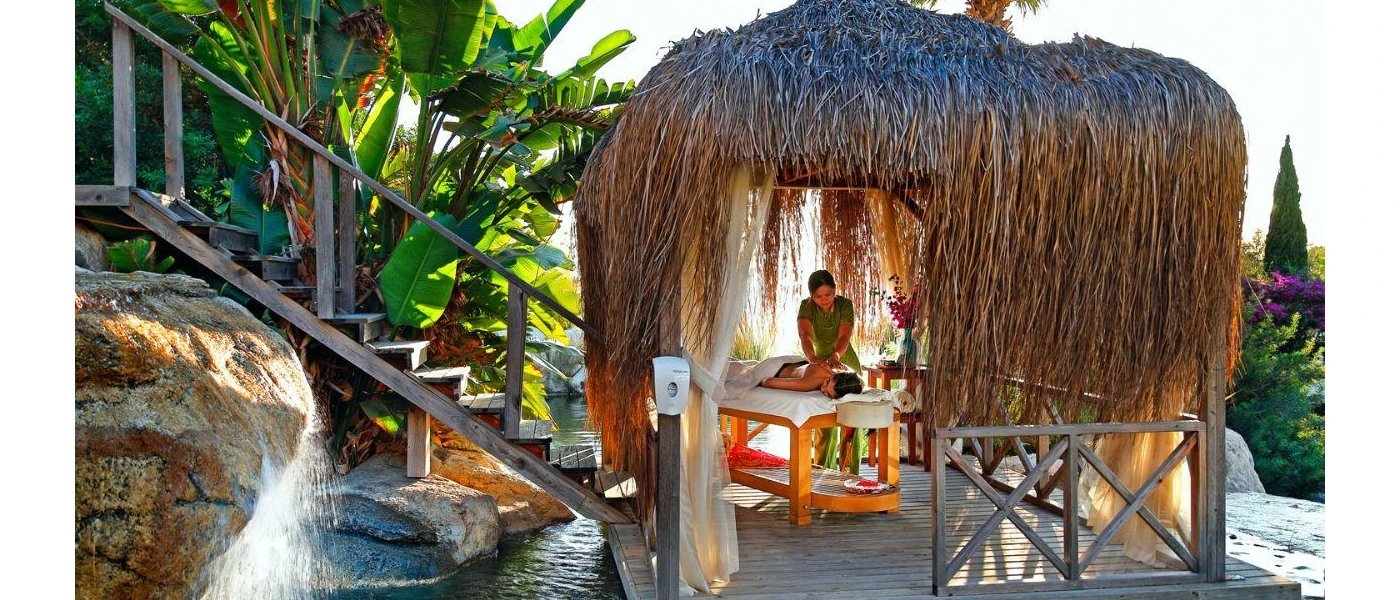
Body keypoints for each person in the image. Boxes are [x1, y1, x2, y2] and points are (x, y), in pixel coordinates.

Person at [796, 269, 866, 474]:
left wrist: (836, 356)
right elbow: (805, 335)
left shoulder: (845, 305)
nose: (824, 300)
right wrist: (813, 359)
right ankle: (822, 471)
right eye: (818, 296)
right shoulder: (806, 307)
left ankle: (850, 472)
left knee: (851, 420)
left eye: (828, 294)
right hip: (821, 364)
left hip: (845, 361)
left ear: (835, 290)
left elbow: (845, 336)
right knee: (824, 419)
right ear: (811, 296)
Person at [759, 360, 865, 399]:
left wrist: (846, 370)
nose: (823, 389)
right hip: (777, 368)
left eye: (828, 394)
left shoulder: (836, 370)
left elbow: (861, 383)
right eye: (827, 382)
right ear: (836, 373)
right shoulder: (809, 383)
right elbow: (767, 382)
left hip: (796, 363)